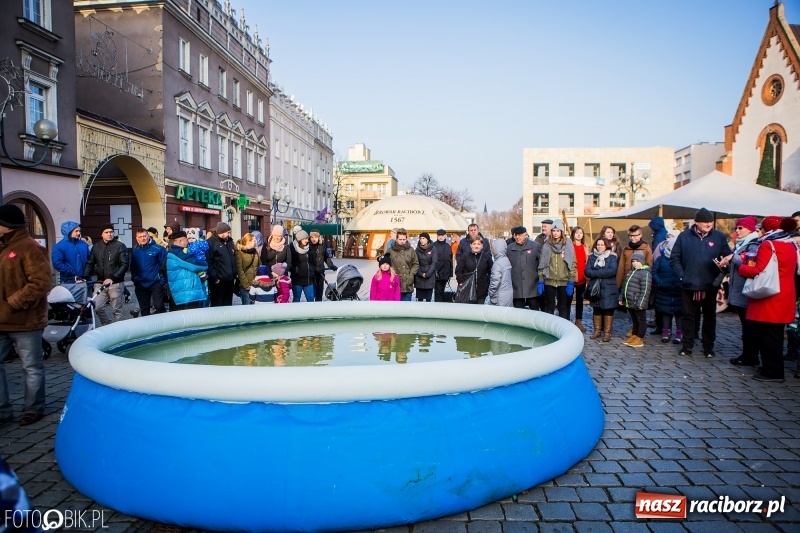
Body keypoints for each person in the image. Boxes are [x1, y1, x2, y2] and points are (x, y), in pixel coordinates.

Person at [0, 204, 51, 426]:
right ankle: (3, 410)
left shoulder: (30, 247)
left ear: (6, 225)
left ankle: (33, 408)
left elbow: (41, 282)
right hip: (2, 320)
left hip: (26, 321)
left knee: (31, 367)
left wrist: (15, 302)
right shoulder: (3, 247)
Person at [738, 216, 798, 382]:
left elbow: (757, 270)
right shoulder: (790, 243)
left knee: (768, 336)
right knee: (775, 335)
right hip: (785, 294)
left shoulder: (768, 244)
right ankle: (772, 368)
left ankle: (772, 371)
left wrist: (742, 267)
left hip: (770, 296)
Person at [670, 207, 732, 358]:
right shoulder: (684, 236)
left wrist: (724, 265)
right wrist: (682, 276)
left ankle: (708, 347)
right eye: (705, 221)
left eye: (711, 221)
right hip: (688, 284)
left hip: (710, 285)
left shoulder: (718, 237)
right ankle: (687, 345)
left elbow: (727, 257)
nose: (709, 224)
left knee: (710, 317)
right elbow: (674, 258)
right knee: (688, 316)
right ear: (696, 222)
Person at [725, 216, 761, 366]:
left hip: (746, 291)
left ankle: (750, 356)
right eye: (736, 228)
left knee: (749, 326)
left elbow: (750, 263)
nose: (737, 231)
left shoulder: (753, 244)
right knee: (746, 325)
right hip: (740, 290)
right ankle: (748, 354)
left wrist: (732, 257)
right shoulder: (742, 243)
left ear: (750, 229)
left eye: (741, 228)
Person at [84, 224, 129, 326]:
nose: (109, 234)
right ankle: (108, 325)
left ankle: (118, 331)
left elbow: (125, 264)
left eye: (111, 232)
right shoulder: (96, 246)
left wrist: (113, 278)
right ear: (102, 234)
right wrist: (85, 276)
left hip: (115, 283)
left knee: (116, 310)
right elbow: (90, 263)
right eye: (106, 232)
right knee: (97, 307)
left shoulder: (120, 246)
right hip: (100, 282)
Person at [538, 220, 576, 318]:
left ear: (561, 232)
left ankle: (563, 326)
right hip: (549, 280)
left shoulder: (568, 244)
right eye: (553, 230)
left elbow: (572, 262)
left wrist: (571, 280)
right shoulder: (546, 244)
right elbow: (542, 263)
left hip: (563, 280)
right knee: (549, 307)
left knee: (563, 307)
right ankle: (548, 326)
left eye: (558, 231)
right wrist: (541, 280)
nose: (555, 233)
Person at [584, 237, 619, 342]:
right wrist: (601, 273)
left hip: (609, 287)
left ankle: (607, 333)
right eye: (598, 245)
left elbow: (612, 271)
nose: (599, 247)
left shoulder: (612, 257)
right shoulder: (592, 257)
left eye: (602, 245)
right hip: (595, 287)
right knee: (596, 309)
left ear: (606, 246)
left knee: (608, 310)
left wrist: (596, 273)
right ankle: (597, 331)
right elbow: (587, 271)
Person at [165, 230, 208, 310]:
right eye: (186, 240)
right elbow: (194, 265)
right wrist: (204, 264)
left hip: (186, 292)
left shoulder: (175, 252)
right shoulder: (178, 253)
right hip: (186, 293)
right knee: (190, 315)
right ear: (180, 241)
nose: (188, 242)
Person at [130, 228, 167, 316]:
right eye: (140, 237)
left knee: (159, 306)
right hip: (141, 284)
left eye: (144, 236)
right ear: (137, 238)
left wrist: (162, 281)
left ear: (148, 236)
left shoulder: (158, 249)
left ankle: (164, 322)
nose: (143, 238)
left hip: (155, 283)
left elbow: (165, 265)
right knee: (144, 310)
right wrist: (135, 279)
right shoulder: (135, 251)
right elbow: (133, 267)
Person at [651, 235, 682, 344]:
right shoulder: (661, 259)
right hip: (664, 290)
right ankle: (666, 333)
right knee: (665, 313)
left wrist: (682, 282)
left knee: (679, 313)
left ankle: (679, 334)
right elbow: (654, 272)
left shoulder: (682, 259)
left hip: (678, 291)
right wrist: (660, 282)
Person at [619, 251, 652, 348]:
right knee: (634, 320)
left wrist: (641, 303)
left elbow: (645, 290)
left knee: (641, 320)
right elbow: (625, 286)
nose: (634, 263)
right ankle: (634, 334)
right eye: (633, 261)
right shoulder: (631, 272)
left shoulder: (645, 273)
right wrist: (621, 298)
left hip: (638, 302)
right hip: (630, 302)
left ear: (642, 261)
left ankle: (640, 337)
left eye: (637, 261)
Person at [507, 226, 542, 310]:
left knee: (534, 310)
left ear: (525, 235)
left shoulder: (535, 246)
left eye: (519, 235)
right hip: (516, 287)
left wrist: (541, 280)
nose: (517, 237)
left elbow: (541, 264)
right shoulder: (510, 248)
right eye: (515, 235)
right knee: (518, 311)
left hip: (532, 286)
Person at [206, 221, 237, 307]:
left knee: (228, 305)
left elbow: (232, 258)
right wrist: (215, 278)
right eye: (228, 232)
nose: (229, 234)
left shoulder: (229, 241)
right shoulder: (211, 243)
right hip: (218, 282)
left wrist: (234, 274)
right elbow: (209, 262)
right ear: (222, 233)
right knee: (217, 305)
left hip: (230, 280)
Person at [455, 236, 492, 304]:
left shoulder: (487, 257)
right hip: (467, 290)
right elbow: (458, 270)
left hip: (482, 291)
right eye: (474, 244)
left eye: (478, 244)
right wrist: (461, 282)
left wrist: (487, 284)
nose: (476, 246)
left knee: (479, 309)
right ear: (470, 245)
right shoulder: (464, 256)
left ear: (482, 246)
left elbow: (491, 272)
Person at [389, 228, 419, 301]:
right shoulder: (390, 250)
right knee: (395, 306)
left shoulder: (411, 250)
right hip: (395, 283)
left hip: (407, 284)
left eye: (404, 239)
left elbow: (416, 263)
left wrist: (411, 275)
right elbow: (385, 264)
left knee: (406, 306)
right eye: (400, 239)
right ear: (396, 239)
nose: (402, 241)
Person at [308, 230, 337, 301]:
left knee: (319, 293)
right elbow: (306, 260)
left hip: (321, 272)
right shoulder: (308, 246)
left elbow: (326, 257)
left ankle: (318, 305)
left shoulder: (322, 246)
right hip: (311, 274)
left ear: (319, 237)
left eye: (315, 237)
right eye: (312, 237)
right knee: (312, 295)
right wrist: (312, 268)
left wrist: (332, 266)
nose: (313, 239)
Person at [571, 226, 590, 332]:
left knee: (580, 300)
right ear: (573, 234)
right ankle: (566, 320)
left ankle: (579, 321)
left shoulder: (585, 247)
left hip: (582, 277)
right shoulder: (570, 246)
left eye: (581, 233)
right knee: (568, 299)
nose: (579, 235)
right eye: (577, 233)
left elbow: (587, 261)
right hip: (571, 276)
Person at [289, 229, 315, 302]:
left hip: (308, 279)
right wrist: (294, 270)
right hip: (297, 279)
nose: (307, 240)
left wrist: (312, 270)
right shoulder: (292, 248)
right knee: (296, 299)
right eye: (305, 239)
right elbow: (289, 262)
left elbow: (312, 261)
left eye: (307, 238)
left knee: (311, 298)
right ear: (299, 239)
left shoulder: (309, 248)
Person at [235, 233, 261, 305]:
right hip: (246, 286)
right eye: (254, 241)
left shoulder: (255, 251)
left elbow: (259, 266)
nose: (256, 242)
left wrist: (259, 281)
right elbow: (240, 270)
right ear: (248, 242)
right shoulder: (239, 252)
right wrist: (246, 285)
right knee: (247, 305)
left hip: (256, 284)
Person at [488, 239, 513, 307]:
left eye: (492, 248)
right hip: (508, 294)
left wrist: (490, 293)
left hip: (500, 296)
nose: (491, 250)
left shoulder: (497, 264)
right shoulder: (506, 260)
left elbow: (495, 282)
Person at [414, 232, 438, 302]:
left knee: (428, 300)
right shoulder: (417, 250)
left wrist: (428, 274)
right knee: (420, 300)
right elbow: (415, 263)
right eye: (420, 238)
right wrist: (421, 274)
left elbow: (434, 263)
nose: (422, 240)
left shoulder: (433, 249)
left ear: (427, 239)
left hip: (430, 277)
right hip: (419, 278)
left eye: (423, 238)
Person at [433, 229, 453, 302]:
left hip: (446, 274)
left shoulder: (448, 246)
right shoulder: (433, 245)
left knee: (442, 292)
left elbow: (450, 260)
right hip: (437, 274)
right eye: (439, 235)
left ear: (445, 236)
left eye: (442, 235)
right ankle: (437, 307)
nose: (440, 237)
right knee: (438, 293)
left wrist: (450, 274)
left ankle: (441, 306)